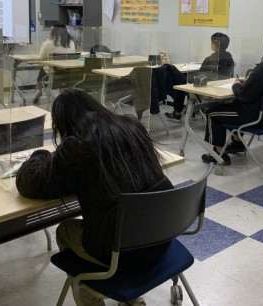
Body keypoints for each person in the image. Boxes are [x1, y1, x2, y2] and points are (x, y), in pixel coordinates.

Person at [16, 89, 173, 306]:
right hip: (161, 238)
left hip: (124, 254)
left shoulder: (78, 146)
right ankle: (133, 298)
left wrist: (40, 155)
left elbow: (30, 184)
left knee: (65, 231)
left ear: (62, 123)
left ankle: (91, 294)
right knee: (121, 220)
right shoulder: (132, 127)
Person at [201, 30, 263, 165]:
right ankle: (237, 142)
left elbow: (244, 95)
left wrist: (236, 85)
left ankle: (218, 154)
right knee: (233, 104)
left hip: (256, 118)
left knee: (212, 112)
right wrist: (249, 83)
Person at [161, 32, 235, 120]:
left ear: (215, 45)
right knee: (181, 79)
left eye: (212, 43)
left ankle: (177, 113)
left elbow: (201, 73)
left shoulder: (211, 58)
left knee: (179, 82)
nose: (210, 45)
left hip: (205, 85)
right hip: (217, 84)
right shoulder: (229, 57)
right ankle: (188, 112)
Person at [33, 25, 76, 104]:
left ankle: (38, 88)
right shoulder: (71, 43)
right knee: (47, 66)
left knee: (44, 66)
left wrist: (45, 43)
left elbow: (41, 56)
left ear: (53, 33)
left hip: (54, 74)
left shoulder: (49, 43)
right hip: (68, 74)